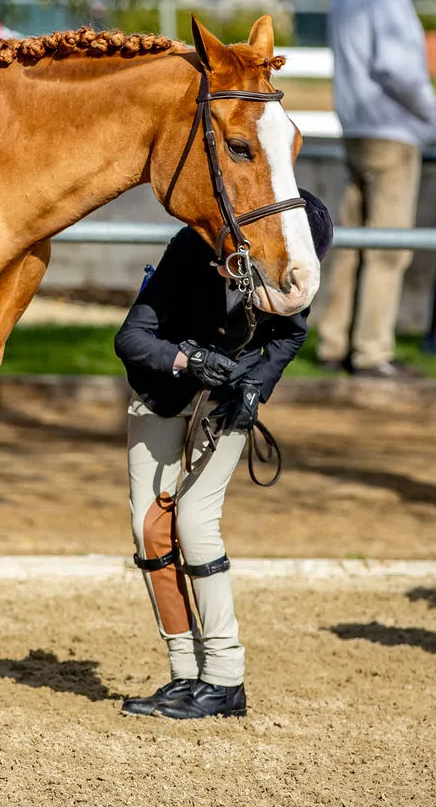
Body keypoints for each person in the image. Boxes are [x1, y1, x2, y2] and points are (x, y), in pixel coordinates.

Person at [113, 191, 333, 721]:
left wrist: (255, 387)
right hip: (161, 394)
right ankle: (185, 672)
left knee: (195, 521)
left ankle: (225, 677)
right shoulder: (190, 249)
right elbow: (131, 338)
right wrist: (187, 359)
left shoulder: (286, 277)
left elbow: (290, 336)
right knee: (151, 530)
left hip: (224, 402)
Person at [316, 0, 436, 379]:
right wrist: (432, 112)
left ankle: (334, 341)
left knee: (353, 241)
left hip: (358, 128)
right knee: (388, 247)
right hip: (391, 132)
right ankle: (371, 351)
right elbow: (398, 67)